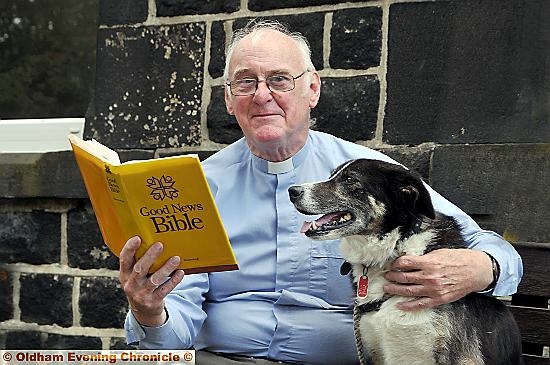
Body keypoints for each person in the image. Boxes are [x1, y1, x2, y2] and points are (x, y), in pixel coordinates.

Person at [119, 20, 523, 365]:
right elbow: (168, 340)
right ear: (228, 100)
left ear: (311, 89)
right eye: (245, 82)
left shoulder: (371, 175)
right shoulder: (196, 189)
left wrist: (482, 269)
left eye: (278, 79)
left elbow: (490, 248)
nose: (262, 95)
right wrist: (149, 311)